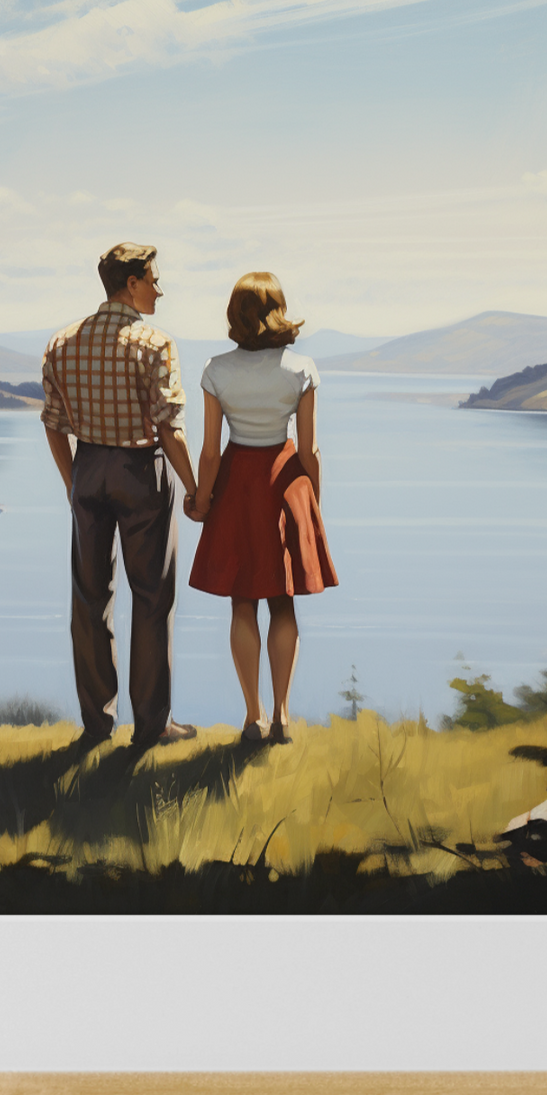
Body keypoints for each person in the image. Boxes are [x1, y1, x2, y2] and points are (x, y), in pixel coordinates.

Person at [41, 242, 200, 752]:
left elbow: (53, 426)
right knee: (152, 598)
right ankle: (152, 724)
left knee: (89, 599)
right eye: (153, 279)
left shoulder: (62, 342)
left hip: (87, 467)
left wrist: (73, 483)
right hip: (140, 471)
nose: (159, 288)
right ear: (131, 283)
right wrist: (196, 489)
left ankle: (96, 723)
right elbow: (169, 429)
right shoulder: (155, 344)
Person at [185, 272, 338, 745]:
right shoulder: (302, 368)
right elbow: (310, 449)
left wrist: (202, 499)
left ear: (235, 314)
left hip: (236, 483)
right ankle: (282, 715)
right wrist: (312, 500)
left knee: (242, 601)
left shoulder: (216, 369)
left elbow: (210, 451)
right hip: (285, 482)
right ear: (279, 309)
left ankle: (251, 716)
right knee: (283, 602)